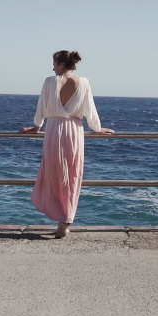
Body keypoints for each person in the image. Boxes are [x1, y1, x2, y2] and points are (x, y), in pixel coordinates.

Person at [19, 50, 114, 238]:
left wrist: (36, 127)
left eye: (54, 63)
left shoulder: (49, 81)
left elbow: (42, 106)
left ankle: (59, 215)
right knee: (72, 176)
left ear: (61, 64)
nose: (52, 67)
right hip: (74, 131)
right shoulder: (84, 82)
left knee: (53, 175)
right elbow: (90, 109)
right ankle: (66, 219)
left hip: (54, 130)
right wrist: (97, 127)